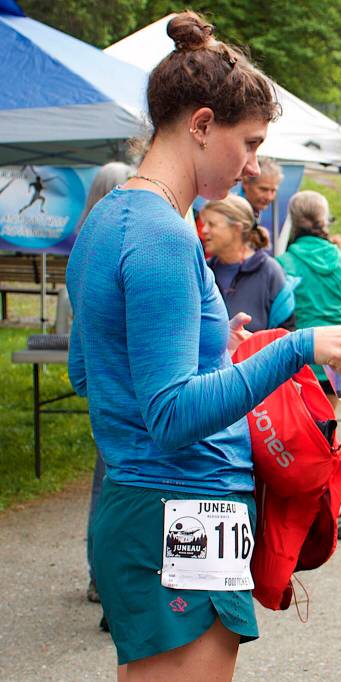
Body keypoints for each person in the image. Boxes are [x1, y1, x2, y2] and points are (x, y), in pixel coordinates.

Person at [65, 12, 341, 679]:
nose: (251, 166)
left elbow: (88, 370)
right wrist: (296, 347)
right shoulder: (162, 234)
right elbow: (170, 415)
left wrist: (218, 352)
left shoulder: (113, 216)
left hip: (157, 504)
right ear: (200, 124)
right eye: (248, 143)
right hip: (179, 505)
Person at [78, 161, 135, 608]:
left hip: (102, 385)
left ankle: (101, 572)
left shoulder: (85, 249)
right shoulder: (129, 243)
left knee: (105, 481)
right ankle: (112, 576)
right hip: (127, 387)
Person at [277, 190, 341, 408]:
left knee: (301, 430)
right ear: (325, 219)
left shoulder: (281, 265)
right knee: (328, 427)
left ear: (293, 220)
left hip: (300, 360)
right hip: (338, 358)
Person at [202, 194, 295, 332]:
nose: (204, 230)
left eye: (212, 224)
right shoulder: (204, 272)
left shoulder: (270, 272)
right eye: (205, 224)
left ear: (237, 228)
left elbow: (286, 335)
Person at [241, 157, 283, 226]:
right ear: (245, 183)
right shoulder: (231, 214)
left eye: (273, 191)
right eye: (263, 189)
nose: (269, 197)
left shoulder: (254, 212)